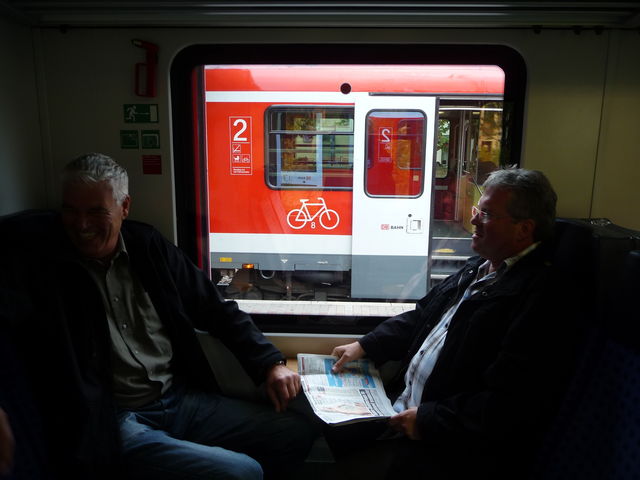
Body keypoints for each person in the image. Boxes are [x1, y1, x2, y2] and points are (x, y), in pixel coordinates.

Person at [5, 153, 316, 480]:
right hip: (114, 420)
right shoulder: (45, 266)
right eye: (70, 210)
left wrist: (269, 363)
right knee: (243, 471)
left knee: (294, 431)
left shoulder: (148, 248)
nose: (81, 225)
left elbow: (214, 308)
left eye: (96, 212)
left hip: (178, 399)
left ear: (124, 207)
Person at [329, 168, 583, 479]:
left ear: (523, 229)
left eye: (486, 214)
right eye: (478, 209)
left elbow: (511, 403)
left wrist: (427, 421)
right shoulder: (481, 267)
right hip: (406, 413)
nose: (473, 220)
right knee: (322, 428)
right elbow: (422, 316)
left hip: (448, 445)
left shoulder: (543, 298)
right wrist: (366, 345)